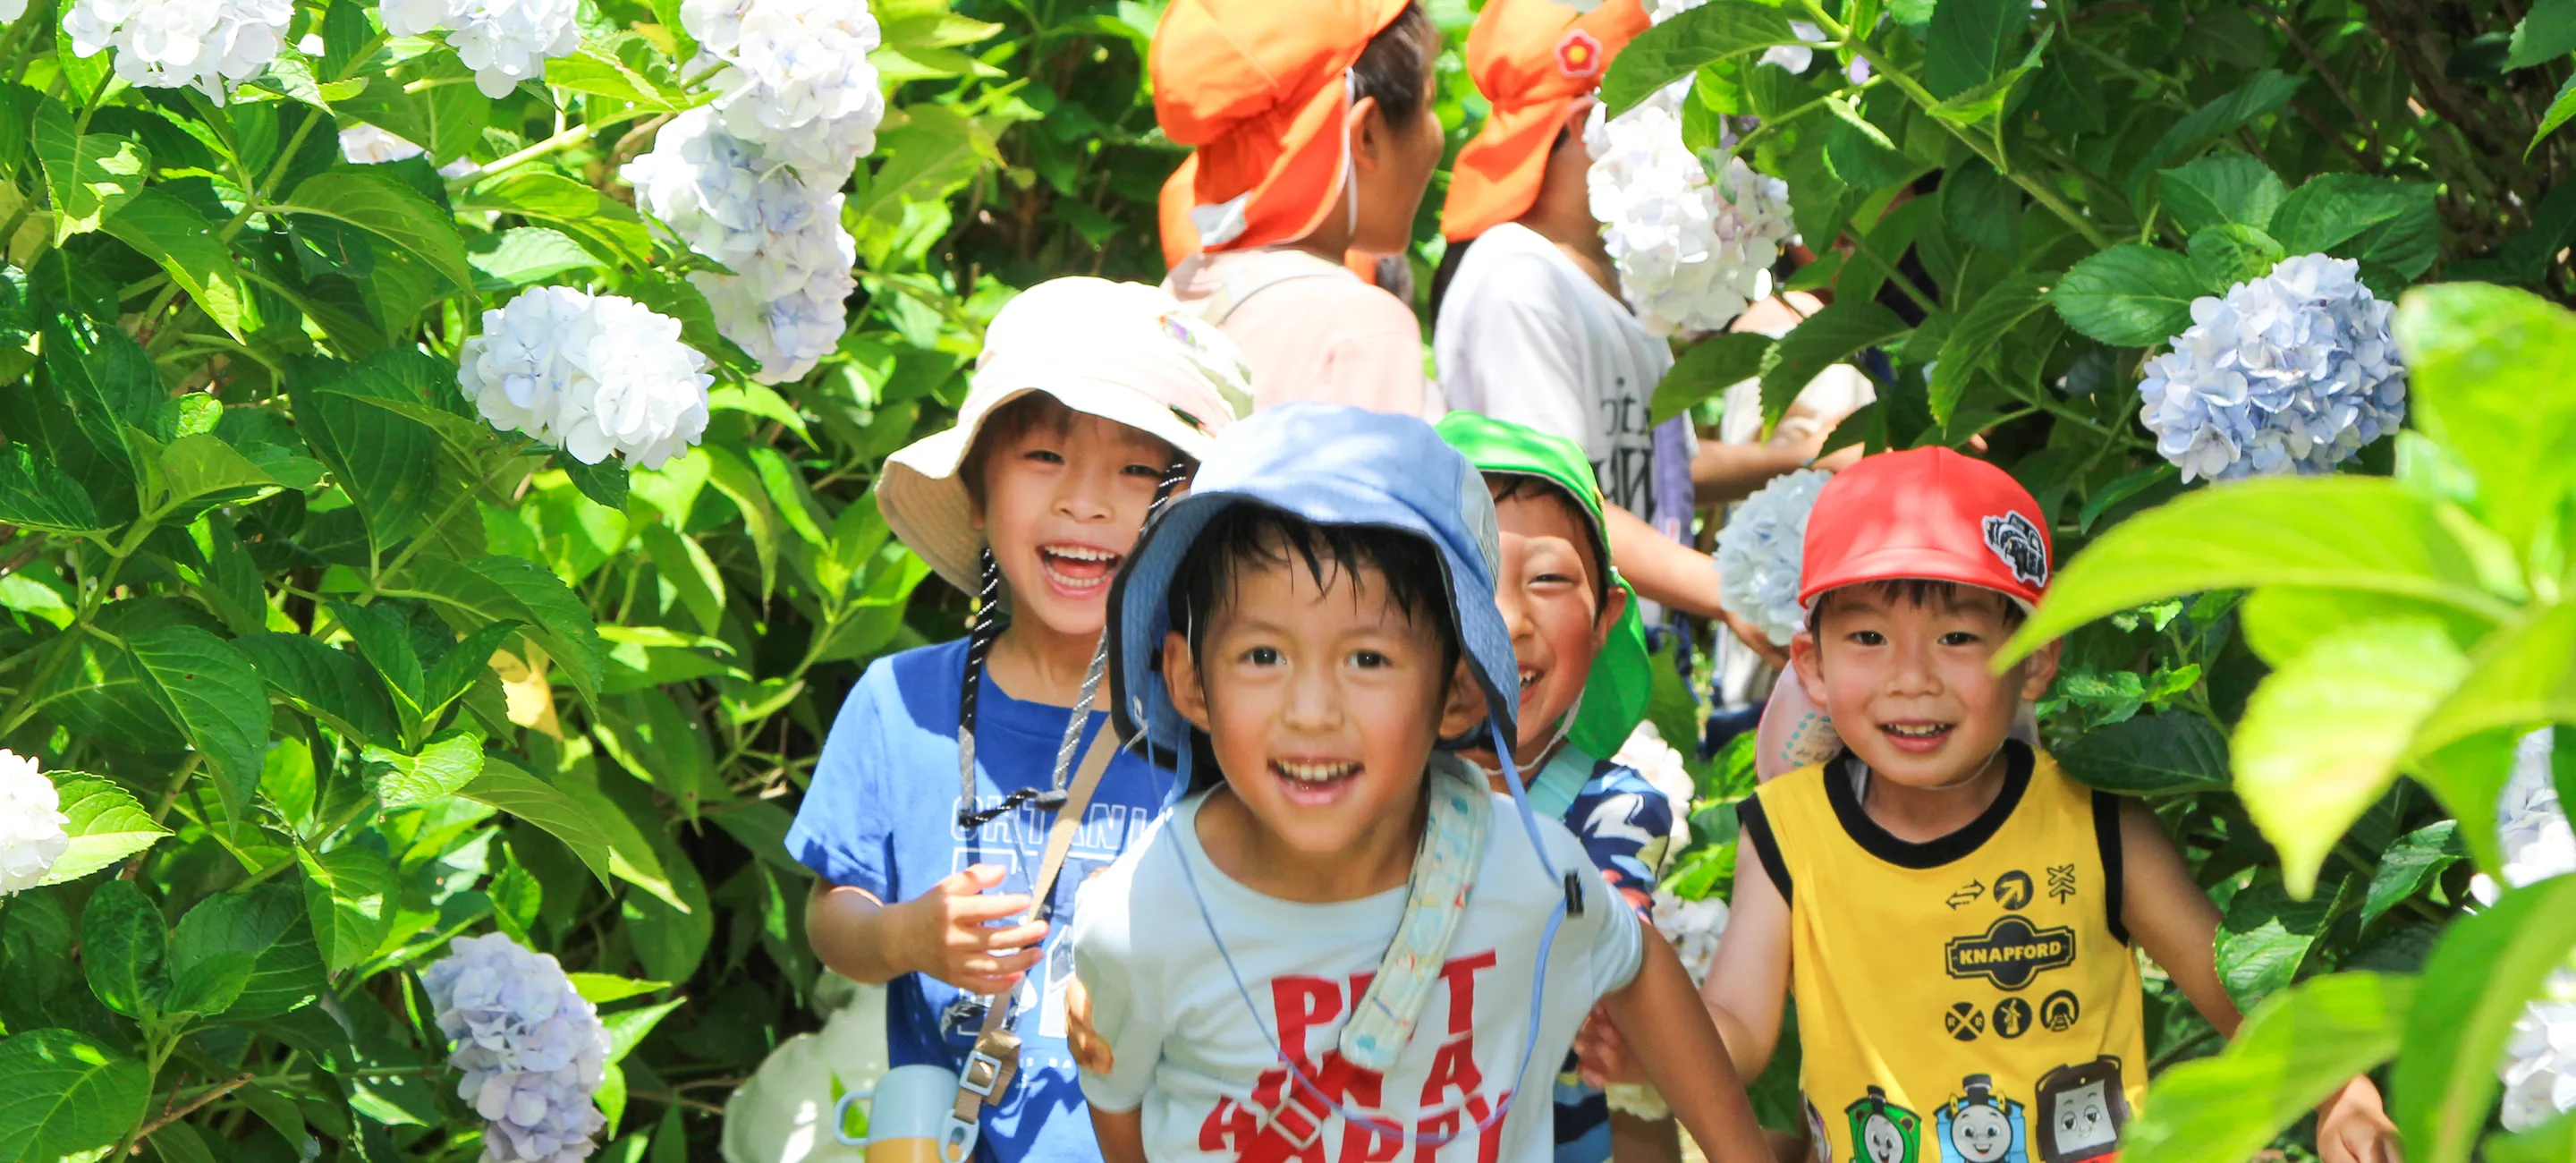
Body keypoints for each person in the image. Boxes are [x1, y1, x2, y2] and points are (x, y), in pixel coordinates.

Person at [1067, 404, 1772, 1163]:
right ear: (1189, 679)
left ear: (1459, 693)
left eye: (1368, 659)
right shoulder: (1142, 920)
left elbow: (1628, 957)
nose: (1311, 713)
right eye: (1263, 656)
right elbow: (1119, 1104)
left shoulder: (1526, 867)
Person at [1684, 447, 2398, 1163]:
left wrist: (2344, 1096)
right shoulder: (1787, 832)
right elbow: (1738, 1031)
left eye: (1956, 637)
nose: (1911, 679)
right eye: (1868, 637)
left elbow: (2242, 995)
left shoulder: (2095, 823)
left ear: (2035, 658)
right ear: (1812, 664)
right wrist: (1648, 1032)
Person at [788, 278, 1251, 1163]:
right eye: (1044, 456)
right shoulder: (902, 703)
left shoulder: (1217, 718)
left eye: (1138, 469)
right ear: (975, 490)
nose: (1087, 501)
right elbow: (832, 914)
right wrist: (902, 933)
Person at [1427, 0, 1829, 645]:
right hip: (1563, 674)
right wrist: (1730, 595)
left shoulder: (1596, 284)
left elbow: (1660, 468)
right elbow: (1558, 503)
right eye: (1672, 112)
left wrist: (1809, 457)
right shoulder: (1517, 281)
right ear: (1592, 123)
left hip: (1621, 653)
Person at [1436, 412, 1683, 1163]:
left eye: (1545, 578)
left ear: (1606, 615)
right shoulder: (1353, 797)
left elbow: (1607, 944)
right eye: (1461, 577)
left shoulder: (1613, 808)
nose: (1507, 620)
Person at [1152, 0, 1445, 418]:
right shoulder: (1360, 329)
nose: (1436, 137)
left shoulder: (1179, 296)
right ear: (1367, 135)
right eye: (1429, 105)